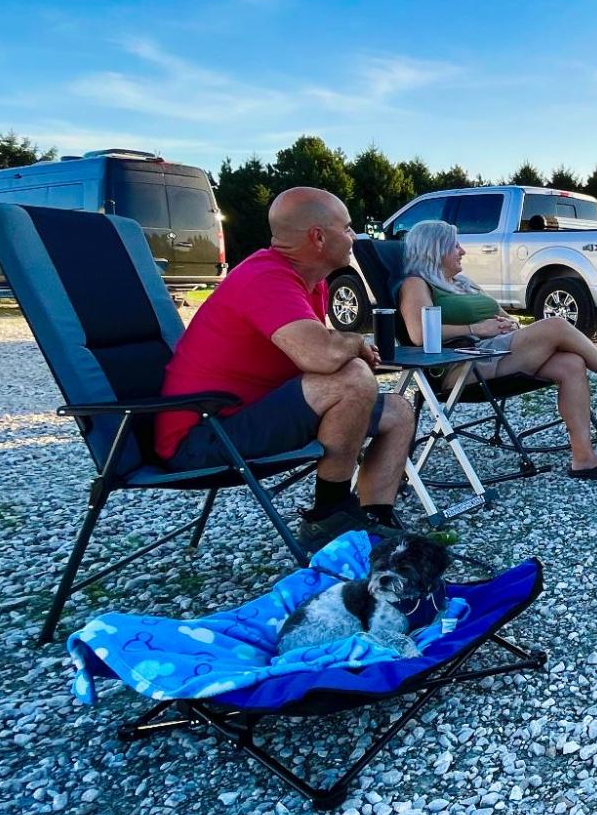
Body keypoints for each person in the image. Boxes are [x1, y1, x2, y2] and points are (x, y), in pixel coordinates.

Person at [154, 187, 419, 546]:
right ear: (319, 237)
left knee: (399, 412)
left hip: (247, 415)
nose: (354, 237)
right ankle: (330, 516)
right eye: (348, 227)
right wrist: (355, 342)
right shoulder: (265, 277)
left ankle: (372, 524)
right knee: (352, 379)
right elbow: (321, 356)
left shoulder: (311, 281)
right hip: (204, 434)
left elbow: (313, 352)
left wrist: (342, 348)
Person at [395, 219, 597, 484]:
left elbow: (502, 315)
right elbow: (419, 334)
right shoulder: (416, 284)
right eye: (455, 246)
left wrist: (507, 323)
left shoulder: (463, 283)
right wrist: (477, 328)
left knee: (571, 363)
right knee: (555, 325)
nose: (463, 251)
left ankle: (583, 458)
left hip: (496, 352)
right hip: (462, 363)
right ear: (435, 250)